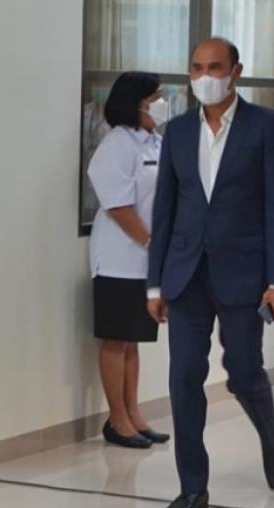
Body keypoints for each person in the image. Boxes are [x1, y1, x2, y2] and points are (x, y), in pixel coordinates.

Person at [148, 37, 274, 508]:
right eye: (196, 68)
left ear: (236, 71)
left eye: (215, 67)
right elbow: (165, 209)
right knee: (183, 377)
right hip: (186, 275)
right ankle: (193, 487)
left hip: (244, 274)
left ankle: (269, 433)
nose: (205, 77)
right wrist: (155, 284)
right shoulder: (176, 131)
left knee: (244, 370)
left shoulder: (267, 126)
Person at [88, 72, 171, 449]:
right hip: (118, 258)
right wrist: (150, 242)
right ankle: (116, 420)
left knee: (133, 339)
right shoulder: (117, 144)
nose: (163, 103)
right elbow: (118, 206)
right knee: (116, 339)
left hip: (146, 259)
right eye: (156, 97)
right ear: (135, 102)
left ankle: (134, 414)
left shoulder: (155, 141)